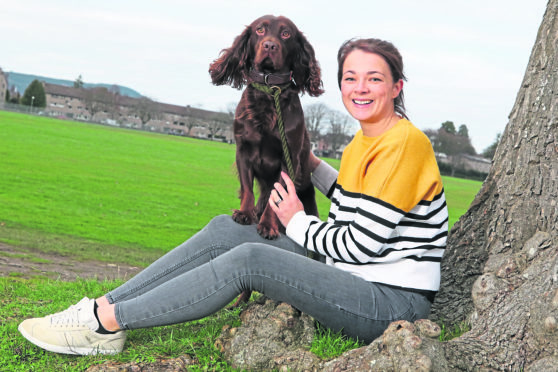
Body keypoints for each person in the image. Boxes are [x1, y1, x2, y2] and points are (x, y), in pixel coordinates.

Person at [18, 38, 448, 355]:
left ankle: (104, 326)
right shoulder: (366, 141)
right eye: (350, 77)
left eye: (375, 78)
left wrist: (296, 220)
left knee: (250, 260)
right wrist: (311, 164)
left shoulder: (405, 143)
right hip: (354, 278)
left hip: (389, 301)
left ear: (396, 86)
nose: (361, 87)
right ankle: (101, 305)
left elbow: (362, 244)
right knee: (229, 231)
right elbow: (358, 201)